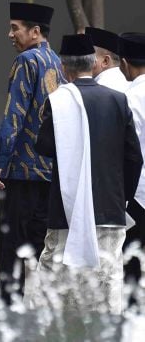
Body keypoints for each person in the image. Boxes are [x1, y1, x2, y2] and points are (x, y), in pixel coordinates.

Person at [25, 34, 142, 314]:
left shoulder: (59, 100)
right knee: (108, 276)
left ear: (65, 68)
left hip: (67, 207)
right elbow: (133, 157)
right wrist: (121, 198)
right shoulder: (118, 100)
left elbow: (44, 146)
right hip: (109, 209)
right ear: (93, 63)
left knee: (57, 277)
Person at [0, 2, 66, 306]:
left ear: (35, 32)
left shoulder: (26, 61)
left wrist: (0, 161)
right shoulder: (59, 63)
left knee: (11, 248)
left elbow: (14, 114)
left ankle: (9, 311)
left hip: (22, 171)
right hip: (50, 171)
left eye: (15, 27)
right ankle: (48, 307)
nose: (10, 34)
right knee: (42, 247)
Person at [119, 32, 145, 302]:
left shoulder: (130, 98)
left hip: (138, 195)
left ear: (124, 63)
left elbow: (129, 152)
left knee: (131, 263)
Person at [85, 26, 130, 92]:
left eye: (88, 57)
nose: (83, 61)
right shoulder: (130, 82)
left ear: (105, 61)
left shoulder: (99, 89)